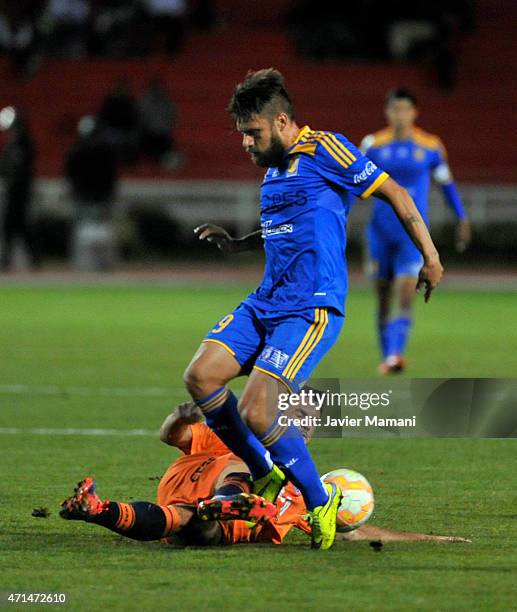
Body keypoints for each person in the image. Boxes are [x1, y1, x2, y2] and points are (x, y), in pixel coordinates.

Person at [184, 69, 443, 550]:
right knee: (201, 376)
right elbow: (288, 228)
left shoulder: (327, 149)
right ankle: (263, 471)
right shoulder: (273, 170)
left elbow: (396, 193)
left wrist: (429, 255)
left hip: (310, 307)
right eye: (243, 135)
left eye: (252, 134)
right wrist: (239, 243)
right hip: (264, 301)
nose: (246, 144)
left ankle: (319, 499)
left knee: (259, 409)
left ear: (281, 121)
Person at [60, 402, 470, 546]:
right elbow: (173, 435)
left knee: (190, 526)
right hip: (200, 493)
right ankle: (225, 501)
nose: (304, 429)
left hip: (210, 523)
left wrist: (434, 538)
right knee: (252, 462)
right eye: (297, 419)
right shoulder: (227, 436)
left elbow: (356, 530)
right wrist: (179, 415)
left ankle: (96, 509)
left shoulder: (303, 486)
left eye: (308, 425)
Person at [360, 87, 470, 374]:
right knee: (383, 298)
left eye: (405, 109)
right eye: (394, 109)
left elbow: (446, 184)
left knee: (406, 293)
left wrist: (461, 217)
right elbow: (352, 186)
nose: (400, 115)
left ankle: (396, 354)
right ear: (387, 112)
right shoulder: (372, 145)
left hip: (411, 237)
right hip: (380, 234)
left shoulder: (431, 146)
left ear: (414, 112)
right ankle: (387, 357)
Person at [0, 108, 39, 271]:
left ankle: (33, 259)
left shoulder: (24, 144)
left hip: (21, 193)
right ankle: (10, 259)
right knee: (14, 226)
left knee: (21, 227)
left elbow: (21, 170)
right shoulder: (12, 145)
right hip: (13, 192)